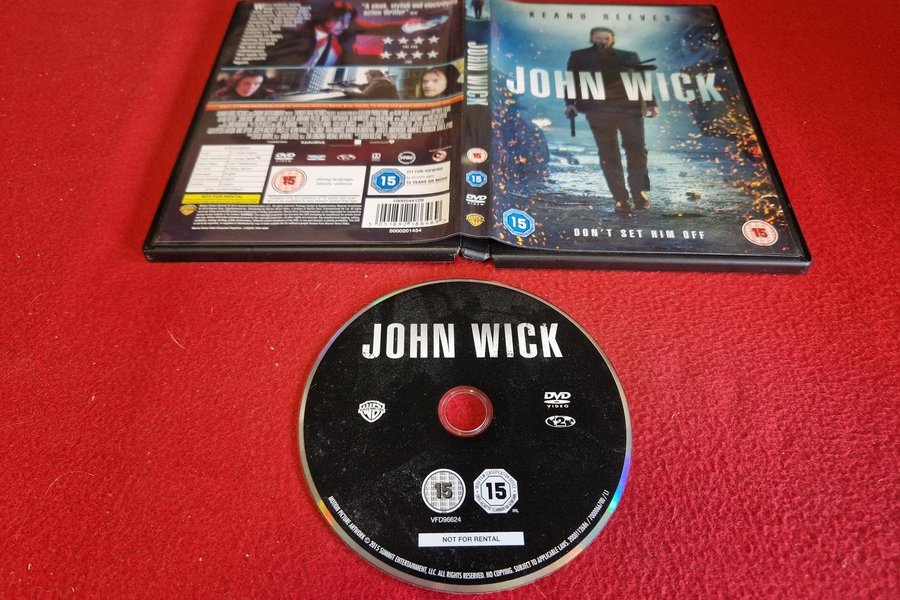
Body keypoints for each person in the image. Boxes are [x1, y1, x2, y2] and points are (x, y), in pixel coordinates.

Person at [564, 27, 658, 215]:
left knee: (637, 149)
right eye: (598, 38)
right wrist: (570, 104)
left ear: (612, 39)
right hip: (598, 110)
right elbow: (572, 80)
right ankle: (620, 198)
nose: (602, 41)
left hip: (630, 108)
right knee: (608, 153)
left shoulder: (629, 56)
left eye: (606, 38)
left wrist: (651, 103)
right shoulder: (579, 56)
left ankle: (639, 193)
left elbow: (641, 80)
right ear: (592, 39)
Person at [264, 1, 448, 67]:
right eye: (340, 20)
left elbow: (380, 29)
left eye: (347, 21)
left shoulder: (344, 31)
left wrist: (414, 25)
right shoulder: (296, 34)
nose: (344, 26)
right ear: (325, 15)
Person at [211, 70, 275, 100]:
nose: (251, 88)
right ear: (236, 82)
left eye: (257, 84)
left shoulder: (268, 97)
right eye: (246, 83)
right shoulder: (219, 96)